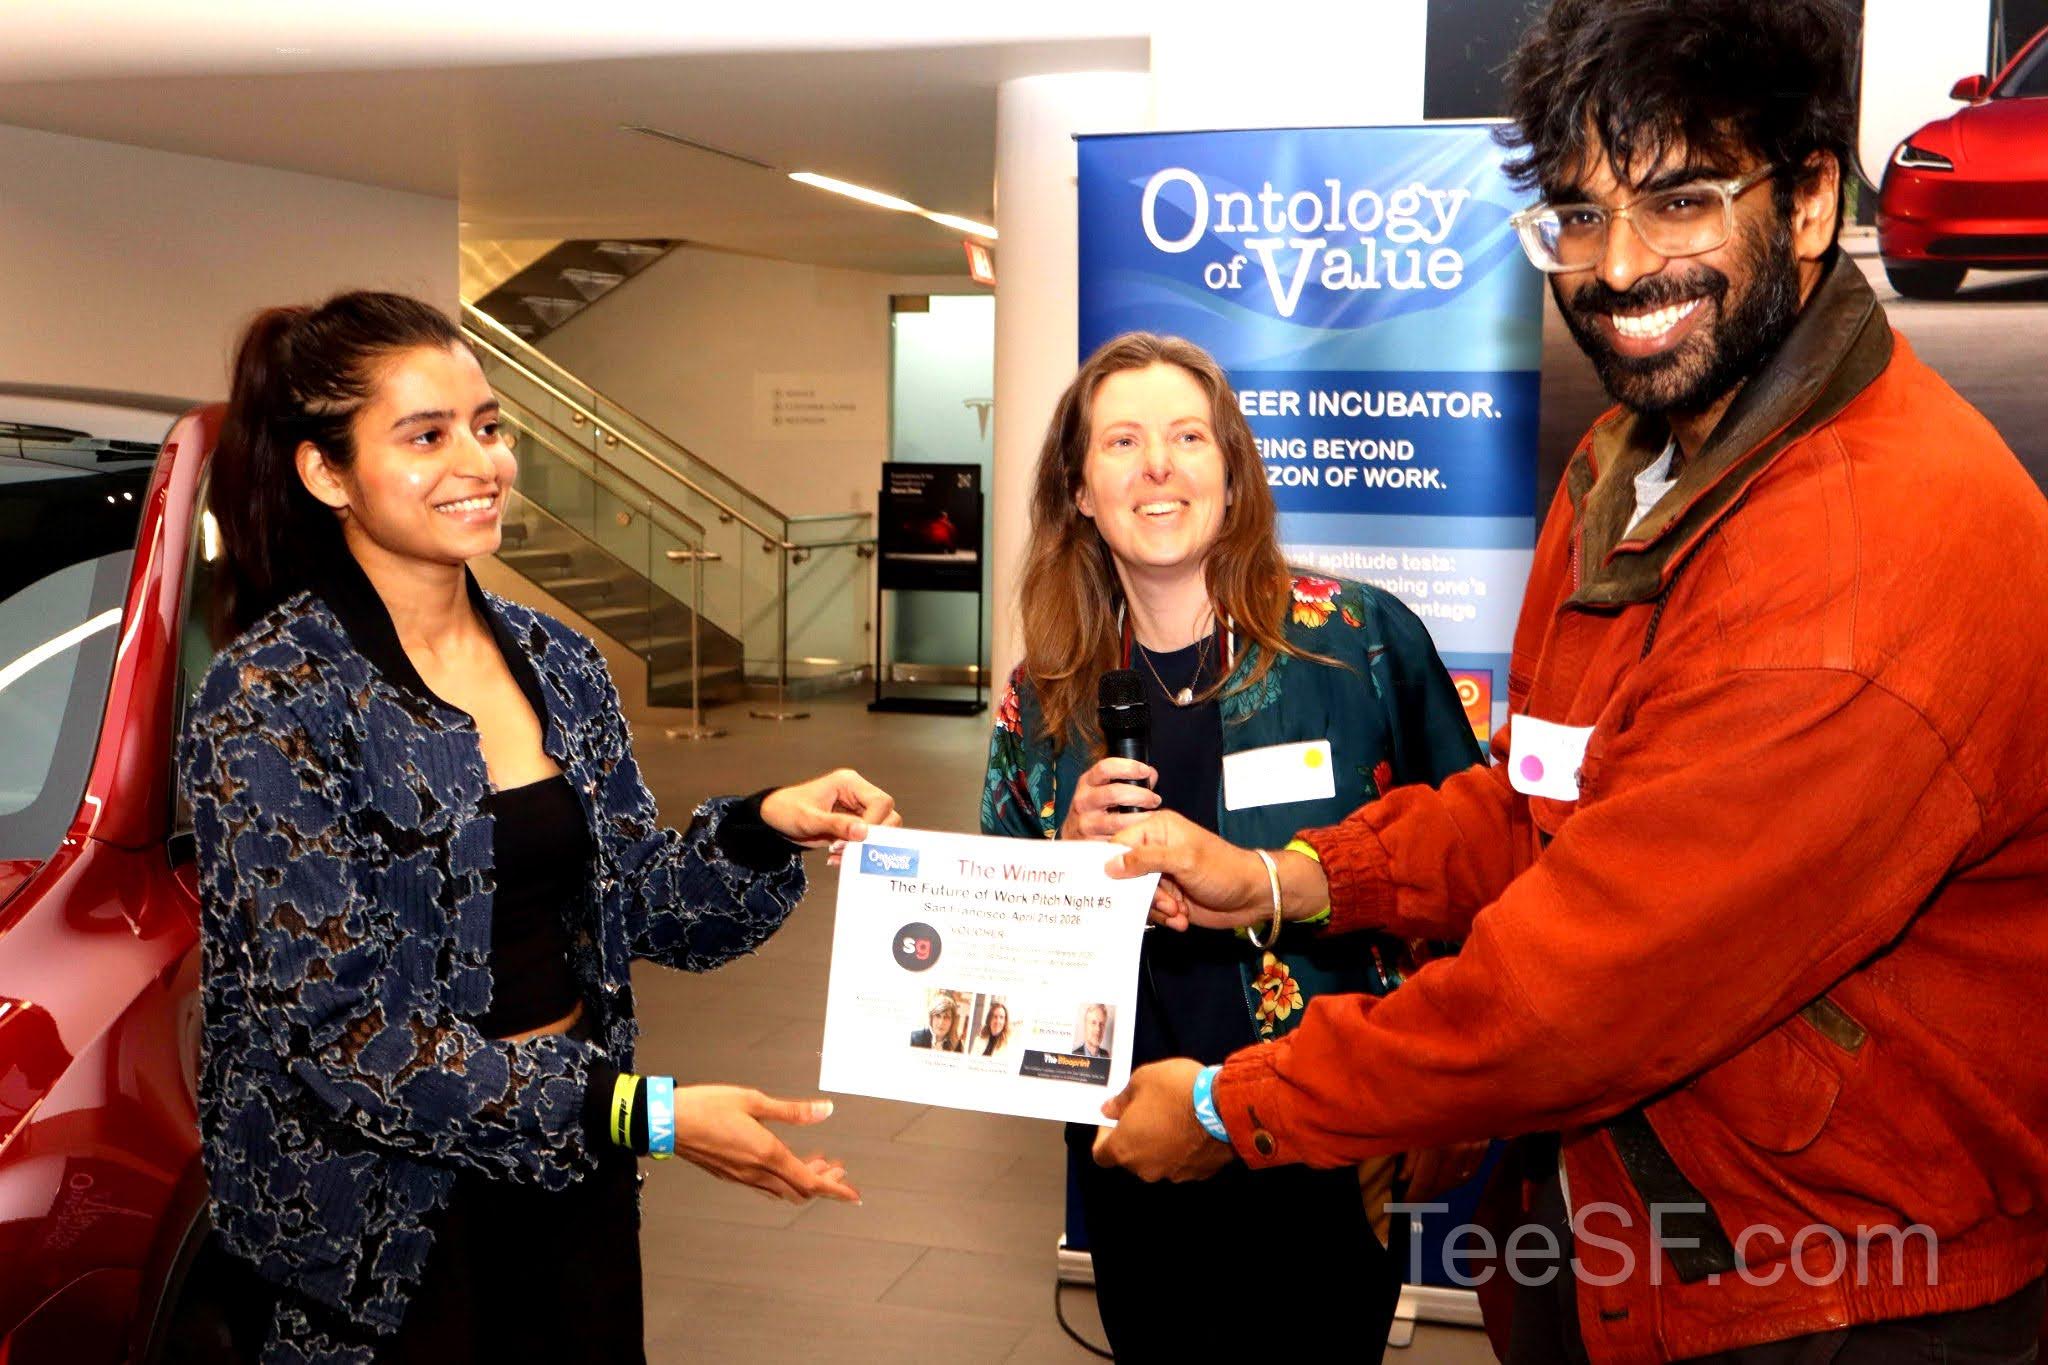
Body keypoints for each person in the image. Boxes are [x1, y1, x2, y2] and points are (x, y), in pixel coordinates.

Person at [1094, 3, 2048, 1361]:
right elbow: (1537, 798)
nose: (1621, 267)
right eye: (1578, 218)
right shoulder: (1630, 459)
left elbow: (1579, 989)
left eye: (1682, 201)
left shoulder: (1858, 565)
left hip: (1831, 1290)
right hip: (1633, 1239)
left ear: (1814, 200)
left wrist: (1226, 1108)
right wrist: (1289, 879)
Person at [182, 291, 900, 1364]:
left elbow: (634, 899)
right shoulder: (271, 696)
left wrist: (760, 828)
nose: (481, 461)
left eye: (488, 425)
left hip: (569, 1176)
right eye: (426, 436)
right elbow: (341, 1039)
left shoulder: (555, 660)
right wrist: (640, 1113)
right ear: (326, 473)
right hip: (379, 1227)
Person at [981, 332, 1481, 1360]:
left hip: (1323, 1133)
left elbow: (1474, 868)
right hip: (1134, 1143)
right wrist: (1063, 871)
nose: (1156, 465)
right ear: (1078, 490)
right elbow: (1001, 944)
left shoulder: (1357, 643)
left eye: (1186, 436)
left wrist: (1450, 1104)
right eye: (1120, 441)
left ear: (1230, 471)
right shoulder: (1042, 698)